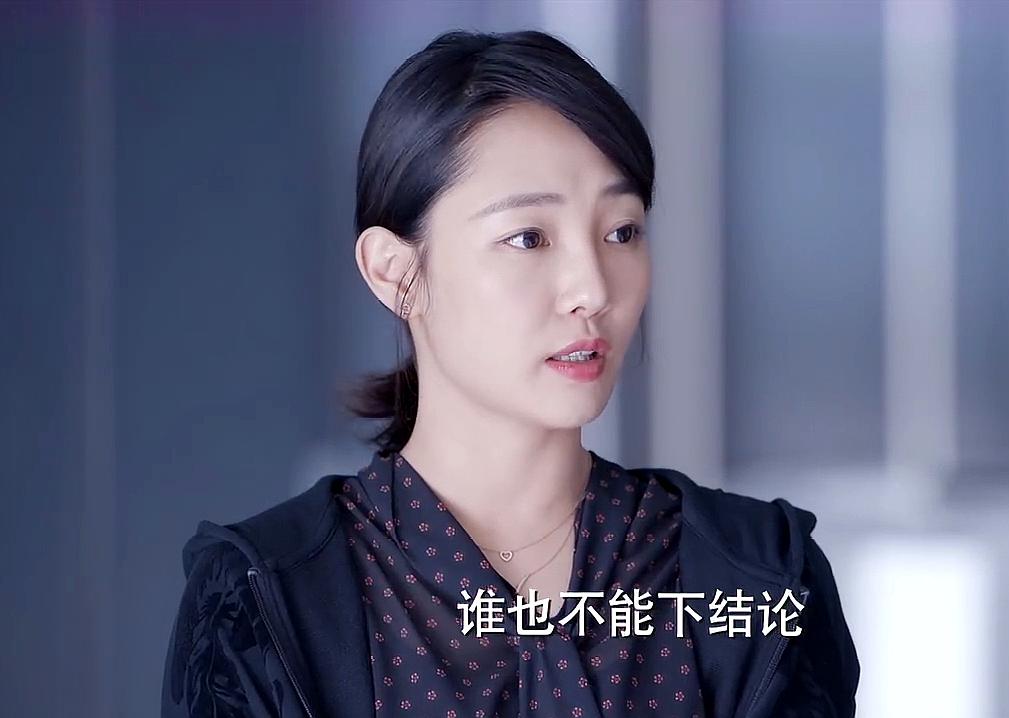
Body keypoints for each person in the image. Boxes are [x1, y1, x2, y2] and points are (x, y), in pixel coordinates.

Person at [160, 29, 859, 718]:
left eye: (621, 231)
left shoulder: (757, 575)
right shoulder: (266, 598)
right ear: (394, 271)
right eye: (529, 237)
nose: (592, 288)